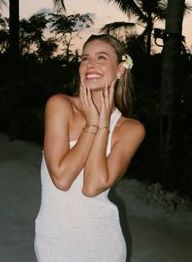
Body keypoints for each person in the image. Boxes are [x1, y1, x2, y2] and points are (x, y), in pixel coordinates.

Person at [34, 34, 145, 262]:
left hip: (104, 245)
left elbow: (92, 187)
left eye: (101, 57)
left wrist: (103, 124)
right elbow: (62, 179)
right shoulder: (60, 105)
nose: (90, 64)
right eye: (85, 58)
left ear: (120, 69)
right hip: (54, 243)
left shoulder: (130, 129)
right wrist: (91, 124)